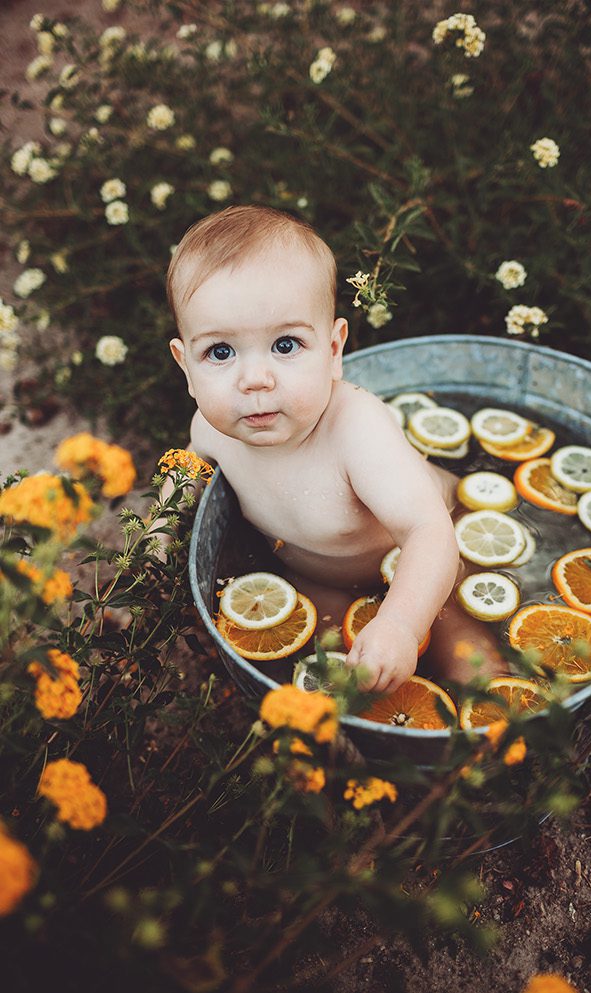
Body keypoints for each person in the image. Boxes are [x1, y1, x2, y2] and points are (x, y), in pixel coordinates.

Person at [166, 205, 500, 692]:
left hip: (433, 560)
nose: (255, 379)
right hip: (316, 574)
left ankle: (507, 729)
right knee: (320, 659)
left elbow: (428, 530)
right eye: (220, 352)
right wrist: (159, 531)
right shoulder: (213, 430)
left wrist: (402, 625)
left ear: (334, 350)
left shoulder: (354, 428)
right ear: (186, 368)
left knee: (468, 659)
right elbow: (187, 469)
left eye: (285, 345)